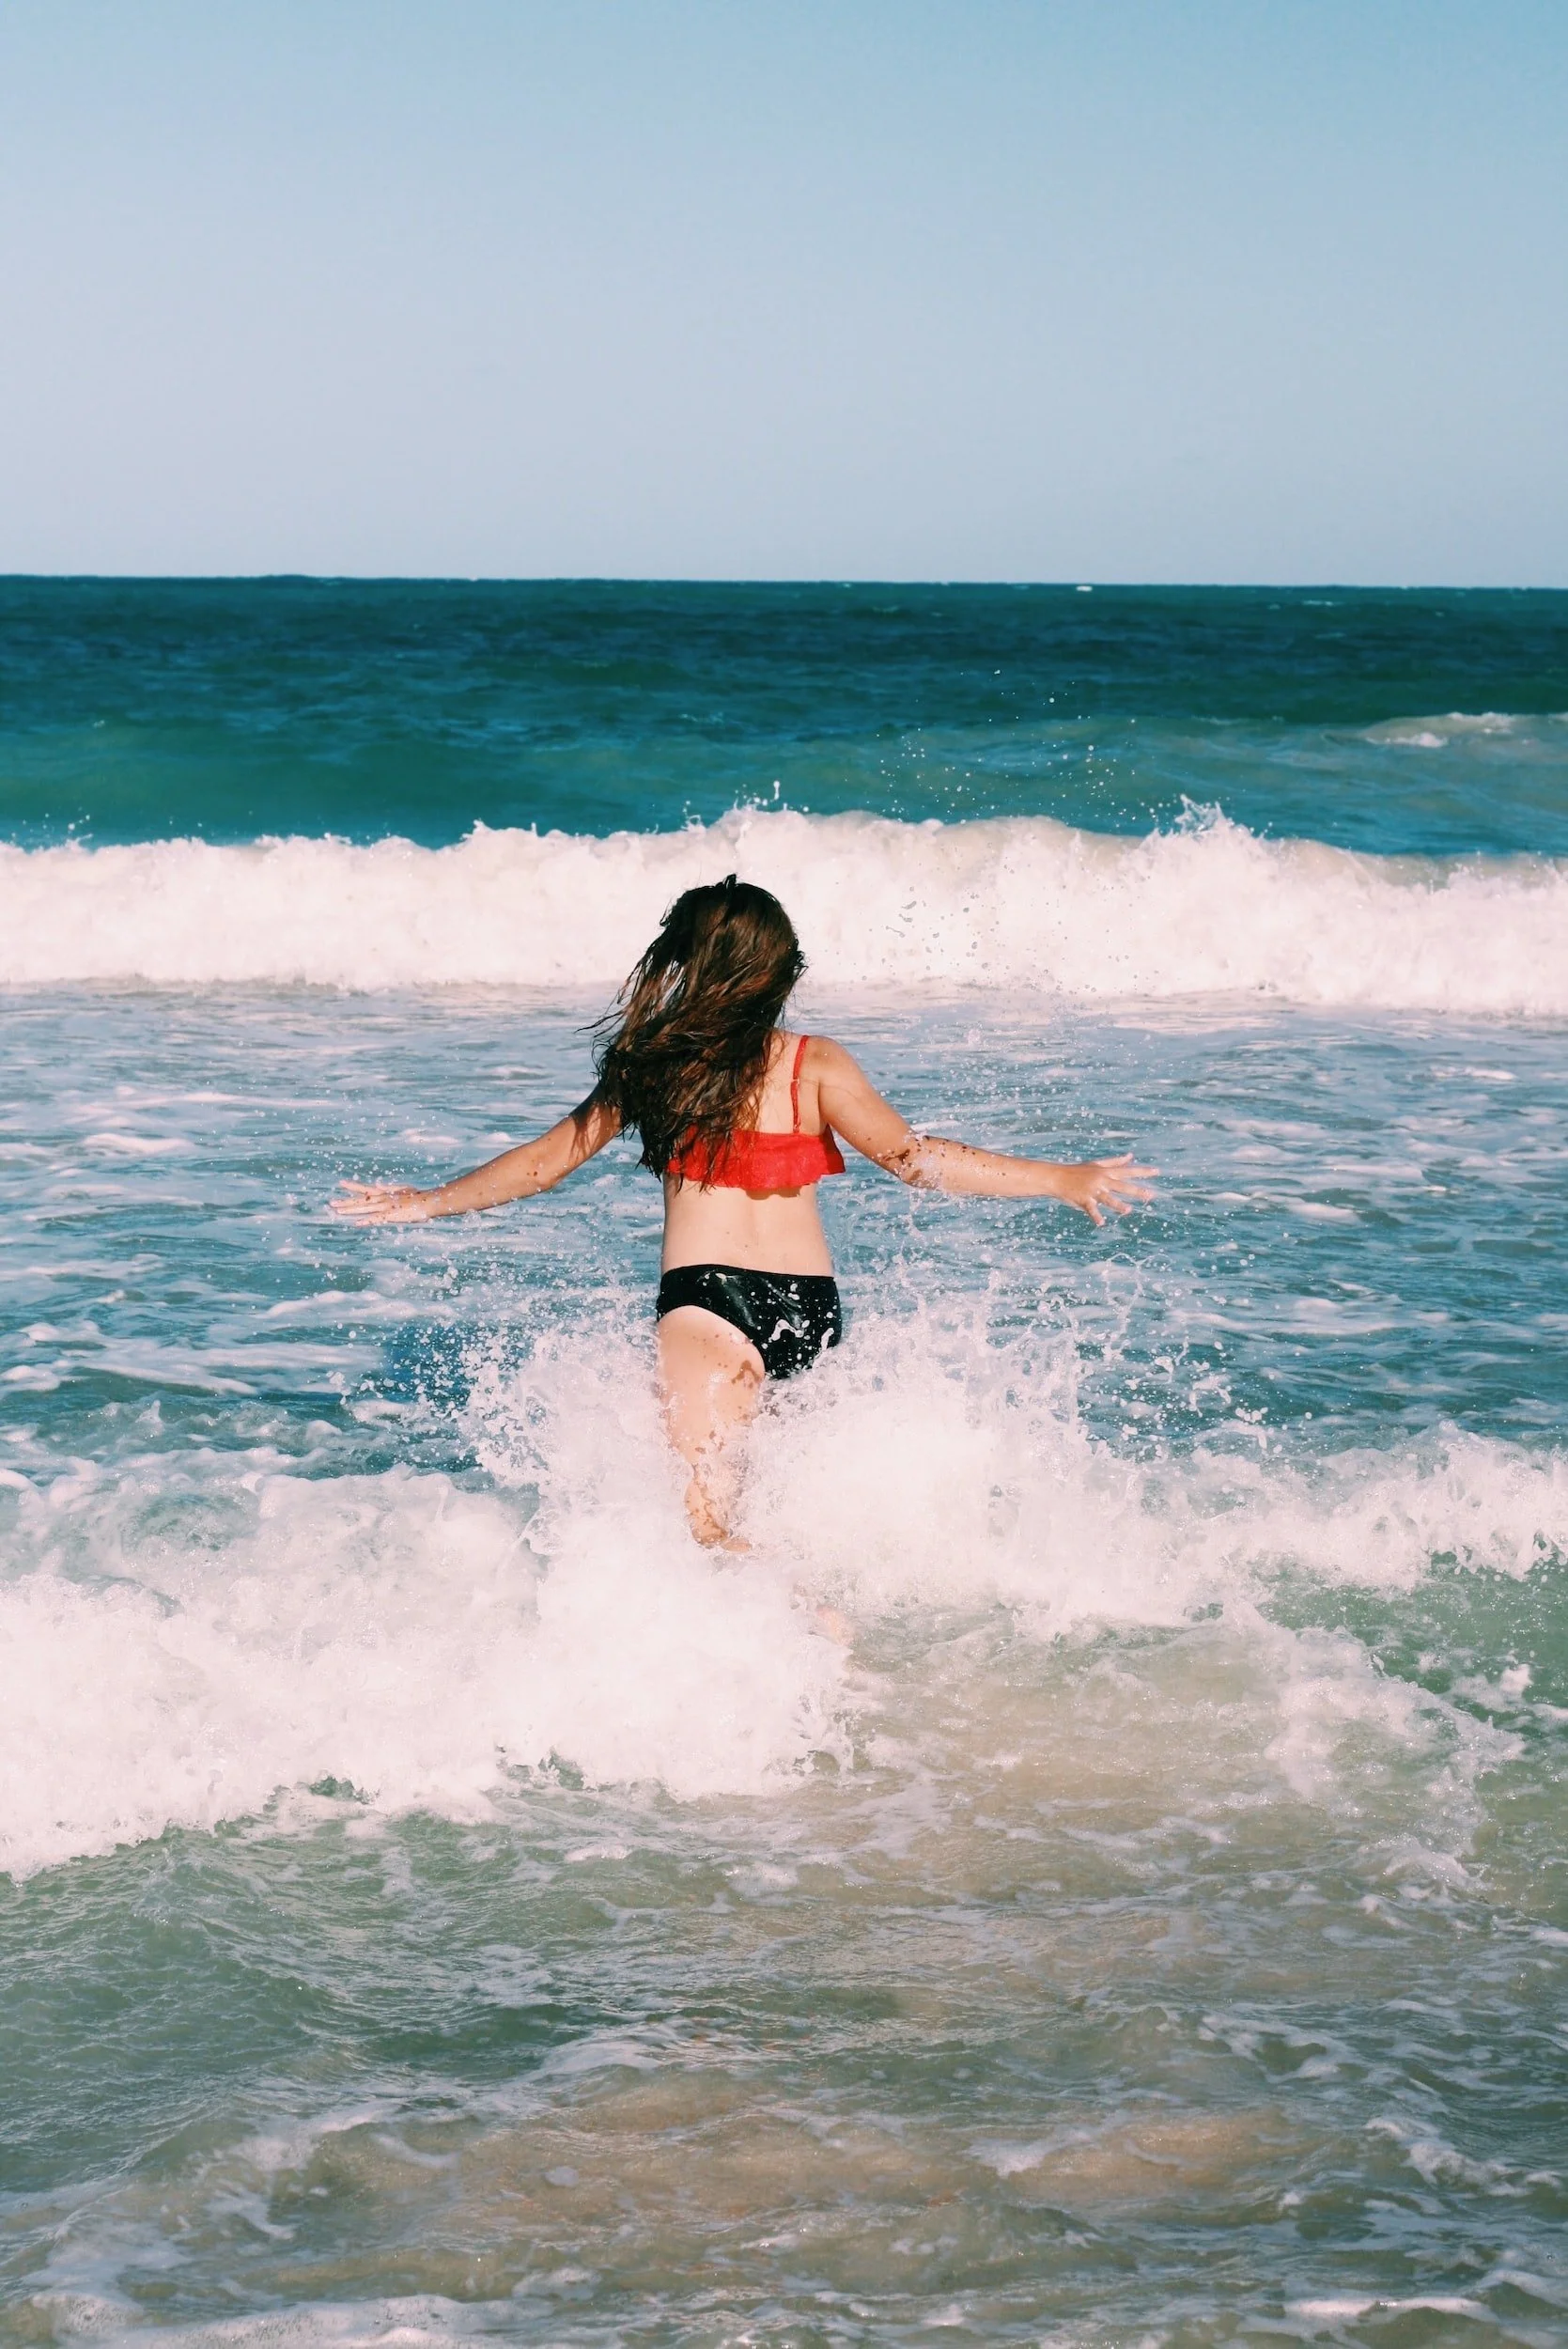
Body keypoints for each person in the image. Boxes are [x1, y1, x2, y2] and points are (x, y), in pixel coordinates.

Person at [333, 877, 1155, 1547]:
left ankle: (804, 1629)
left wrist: (426, 1203)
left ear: (687, 965)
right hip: (813, 1312)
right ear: (778, 973)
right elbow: (915, 1160)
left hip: (708, 1306)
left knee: (709, 1527)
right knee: (782, 1516)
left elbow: (548, 1163)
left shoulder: (652, 1064)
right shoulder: (815, 1063)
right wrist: (1056, 1178)